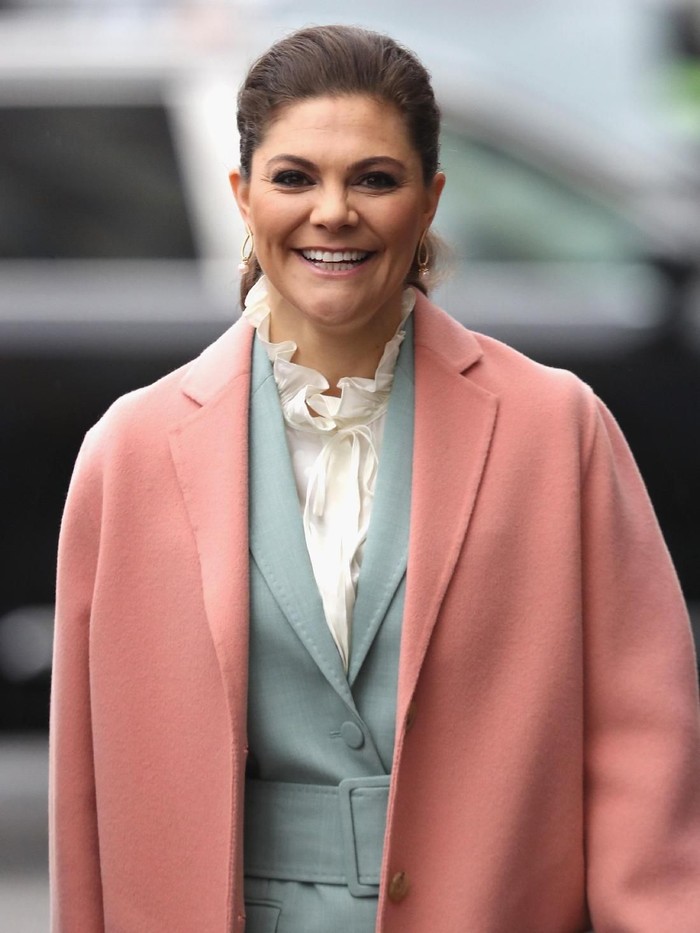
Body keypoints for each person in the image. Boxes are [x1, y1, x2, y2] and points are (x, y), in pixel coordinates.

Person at [49, 23, 700, 933]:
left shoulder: (558, 430)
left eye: (375, 178)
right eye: (294, 177)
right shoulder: (132, 450)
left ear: (430, 200)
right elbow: (85, 791)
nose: (333, 211)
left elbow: (644, 746)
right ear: (242, 195)